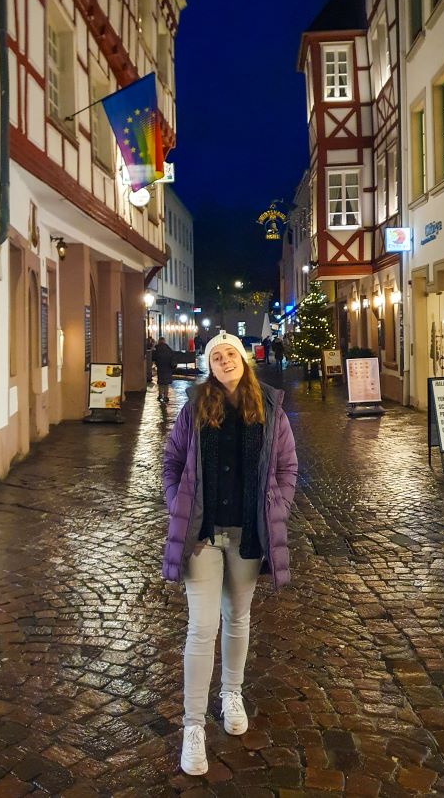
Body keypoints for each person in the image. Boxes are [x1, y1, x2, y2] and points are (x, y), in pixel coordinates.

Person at [161, 330, 298, 776]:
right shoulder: (195, 407)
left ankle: (232, 694)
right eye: (215, 356)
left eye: (230, 354)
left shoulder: (271, 409)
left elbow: (286, 466)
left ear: (245, 358)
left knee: (238, 617)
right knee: (202, 627)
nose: (224, 361)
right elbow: (172, 462)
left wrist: (278, 502)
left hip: (248, 534)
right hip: (202, 533)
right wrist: (175, 501)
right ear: (209, 366)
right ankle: (193, 726)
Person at [153, 337, 175, 403]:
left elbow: (154, 358)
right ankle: (166, 396)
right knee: (166, 383)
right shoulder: (168, 349)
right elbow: (172, 357)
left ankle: (160, 394)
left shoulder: (157, 349)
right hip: (168, 368)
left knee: (161, 382)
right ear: (164, 341)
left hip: (160, 368)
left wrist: (157, 363)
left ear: (159, 341)